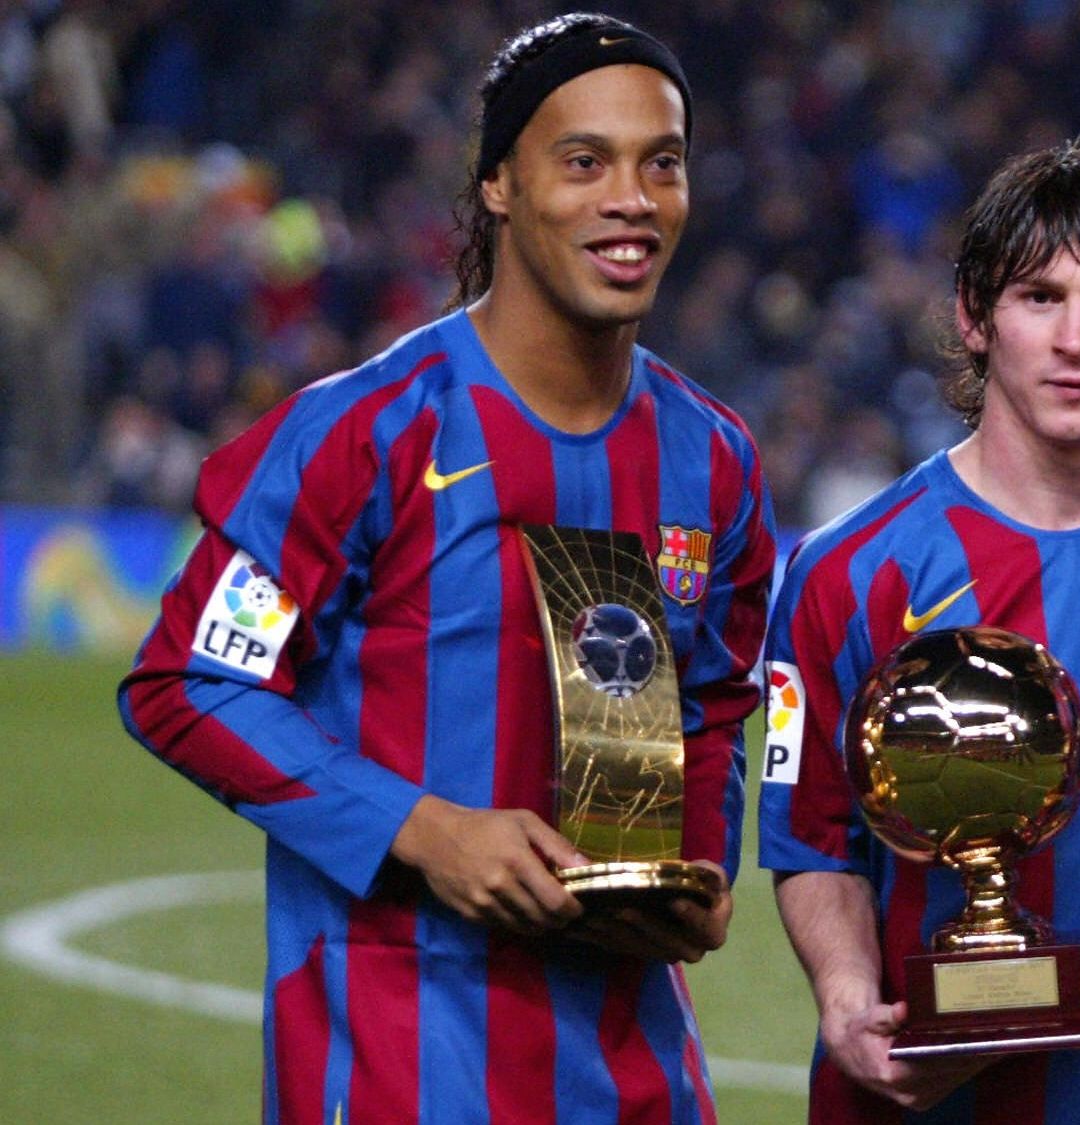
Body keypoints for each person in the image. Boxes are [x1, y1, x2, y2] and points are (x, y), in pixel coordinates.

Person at [118, 13, 774, 1121]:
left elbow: (711, 702)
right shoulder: (367, 431)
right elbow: (186, 681)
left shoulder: (713, 458)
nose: (631, 198)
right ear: (499, 186)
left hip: (634, 1067)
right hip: (397, 1056)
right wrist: (427, 831)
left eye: (661, 164)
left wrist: (696, 867)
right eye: (585, 162)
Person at [758, 134, 1080, 1124]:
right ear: (973, 316)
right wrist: (845, 998)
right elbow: (811, 835)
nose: (1074, 339)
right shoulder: (849, 572)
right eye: (1039, 297)